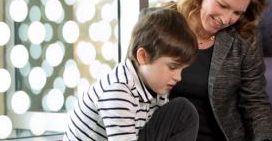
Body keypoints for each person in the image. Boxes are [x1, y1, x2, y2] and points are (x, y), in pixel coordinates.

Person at [159, 0, 272, 141]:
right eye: (222, 5)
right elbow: (130, 90)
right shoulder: (159, 24)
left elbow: (255, 104)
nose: (226, 19)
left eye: (237, 12)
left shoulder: (244, 38)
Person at [63, 8, 199, 141]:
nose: (178, 77)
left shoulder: (156, 88)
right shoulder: (118, 90)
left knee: (184, 112)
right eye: (173, 67)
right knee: (183, 110)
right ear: (143, 56)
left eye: (182, 69)